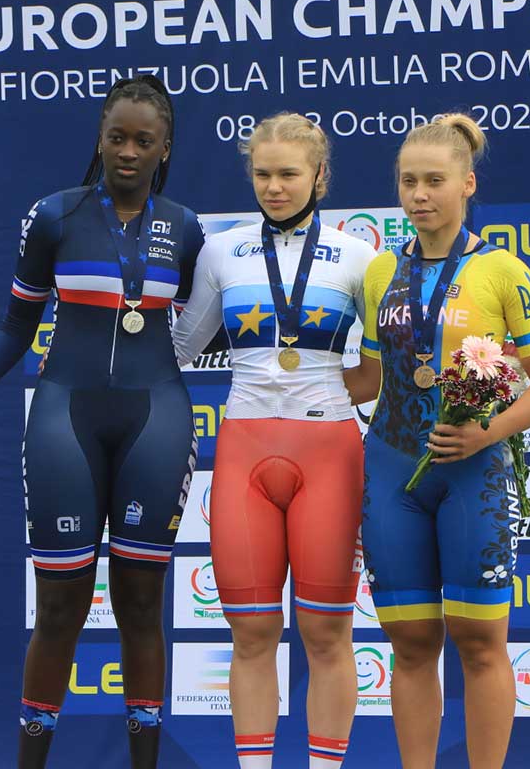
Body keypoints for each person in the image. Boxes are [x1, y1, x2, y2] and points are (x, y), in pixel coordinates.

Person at [0, 75, 202, 769]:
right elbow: (15, 325)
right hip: (64, 420)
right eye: (117, 137)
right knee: (59, 609)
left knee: (140, 607)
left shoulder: (186, 229)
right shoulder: (55, 216)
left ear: (164, 149)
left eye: (143, 141)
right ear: (100, 138)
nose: (128, 151)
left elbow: (210, 325)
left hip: (157, 422)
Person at [343, 114, 530, 769]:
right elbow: (373, 376)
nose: (419, 194)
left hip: (474, 473)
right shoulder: (381, 270)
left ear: (466, 183)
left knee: (479, 642)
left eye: (434, 181)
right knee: (410, 645)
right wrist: (280, 378)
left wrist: (485, 432)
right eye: (408, 181)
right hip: (391, 472)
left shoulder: (502, 270)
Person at [172, 113, 376, 768]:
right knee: (252, 631)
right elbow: (179, 347)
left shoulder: (358, 255)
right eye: (262, 173)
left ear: (319, 176)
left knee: (326, 631)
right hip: (244, 453)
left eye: (289, 174)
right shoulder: (220, 250)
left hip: (331, 454)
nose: (275, 187)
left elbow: (386, 366)